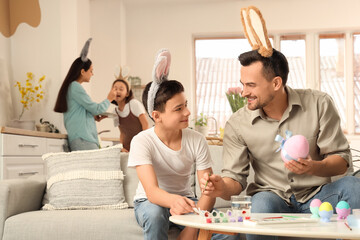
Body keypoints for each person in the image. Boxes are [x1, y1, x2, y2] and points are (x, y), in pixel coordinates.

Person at [200, 49, 360, 240]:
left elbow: (341, 160)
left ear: (276, 83)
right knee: (260, 206)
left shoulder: (319, 104)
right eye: (242, 85)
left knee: (353, 186)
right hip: (271, 197)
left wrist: (313, 167)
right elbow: (235, 178)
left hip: (318, 196)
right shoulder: (237, 123)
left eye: (251, 85)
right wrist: (222, 188)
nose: (243, 93)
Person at [128, 49, 233, 240]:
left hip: (187, 201)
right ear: (156, 116)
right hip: (150, 202)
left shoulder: (196, 140)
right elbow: (151, 191)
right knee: (155, 214)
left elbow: (208, 192)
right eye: (179, 109)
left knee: (229, 233)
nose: (187, 112)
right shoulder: (142, 141)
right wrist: (174, 201)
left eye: (185, 105)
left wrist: (191, 228)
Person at [54, 38, 116, 151]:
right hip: (83, 140)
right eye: (91, 71)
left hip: (81, 139)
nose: (93, 74)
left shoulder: (72, 87)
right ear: (83, 72)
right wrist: (109, 99)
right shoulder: (75, 87)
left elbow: (80, 111)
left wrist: (93, 116)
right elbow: (96, 108)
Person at [111, 71, 149, 152]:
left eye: (121, 89)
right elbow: (122, 133)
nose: (117, 91)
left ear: (127, 93)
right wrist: (122, 147)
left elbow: (145, 125)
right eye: (115, 89)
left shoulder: (134, 104)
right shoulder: (115, 112)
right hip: (127, 149)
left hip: (140, 146)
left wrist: (143, 145)